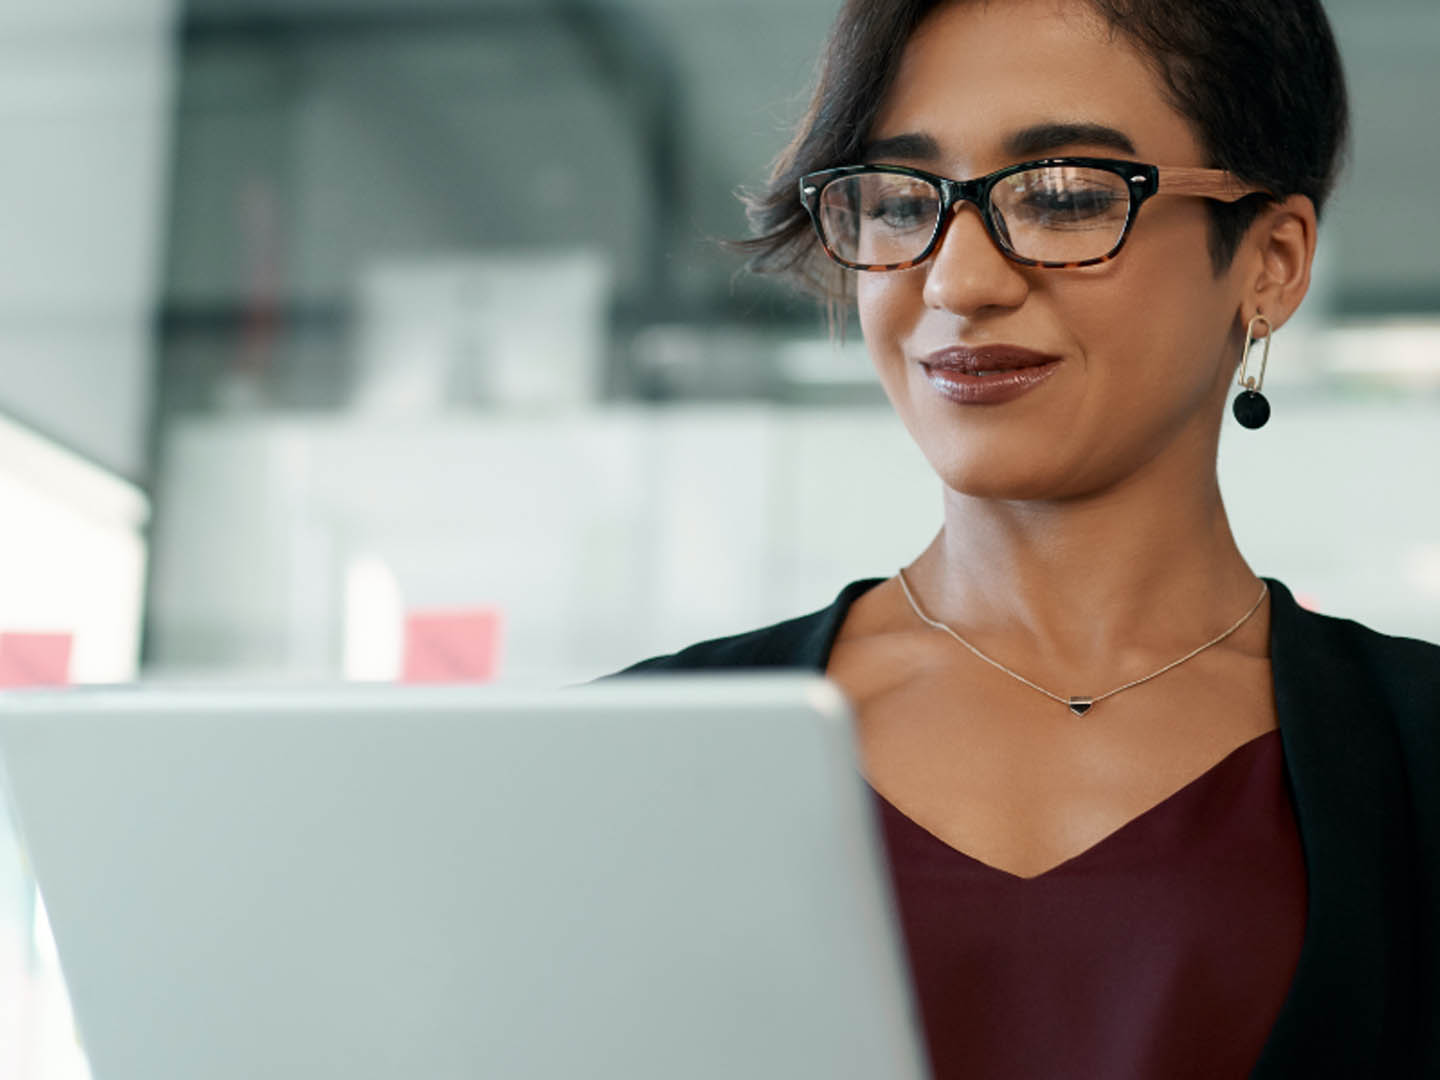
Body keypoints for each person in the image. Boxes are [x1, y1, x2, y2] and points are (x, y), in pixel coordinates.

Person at [608, 1, 1440, 1076]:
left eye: (1062, 199)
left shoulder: (1419, 759)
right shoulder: (644, 755)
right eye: (902, 203)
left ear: (1270, 261)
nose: (958, 282)